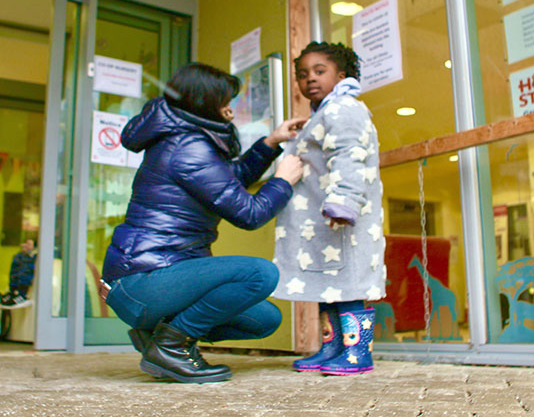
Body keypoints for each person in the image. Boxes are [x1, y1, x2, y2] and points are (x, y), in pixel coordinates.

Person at [101, 63, 305, 384]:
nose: (231, 107)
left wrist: (270, 143)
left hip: (154, 276)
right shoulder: (188, 146)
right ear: (204, 102)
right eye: (226, 100)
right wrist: (283, 181)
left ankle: (156, 336)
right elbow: (249, 214)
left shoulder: (186, 138)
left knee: (265, 319)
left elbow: (228, 180)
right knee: (260, 275)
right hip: (144, 277)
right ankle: (172, 346)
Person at [272, 41, 385, 376]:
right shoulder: (325, 113)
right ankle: (333, 347)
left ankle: (357, 352)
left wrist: (344, 202)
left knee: (348, 282)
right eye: (303, 74)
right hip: (322, 220)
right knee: (330, 284)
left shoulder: (344, 109)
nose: (310, 79)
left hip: (342, 217)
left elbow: (350, 156)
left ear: (342, 74)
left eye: (320, 71)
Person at [2, 238, 36, 308]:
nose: (25, 246)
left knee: (25, 264)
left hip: (24, 285)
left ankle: (21, 295)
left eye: (29, 244)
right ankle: (14, 292)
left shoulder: (30, 259)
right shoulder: (18, 257)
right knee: (18, 259)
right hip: (17, 284)